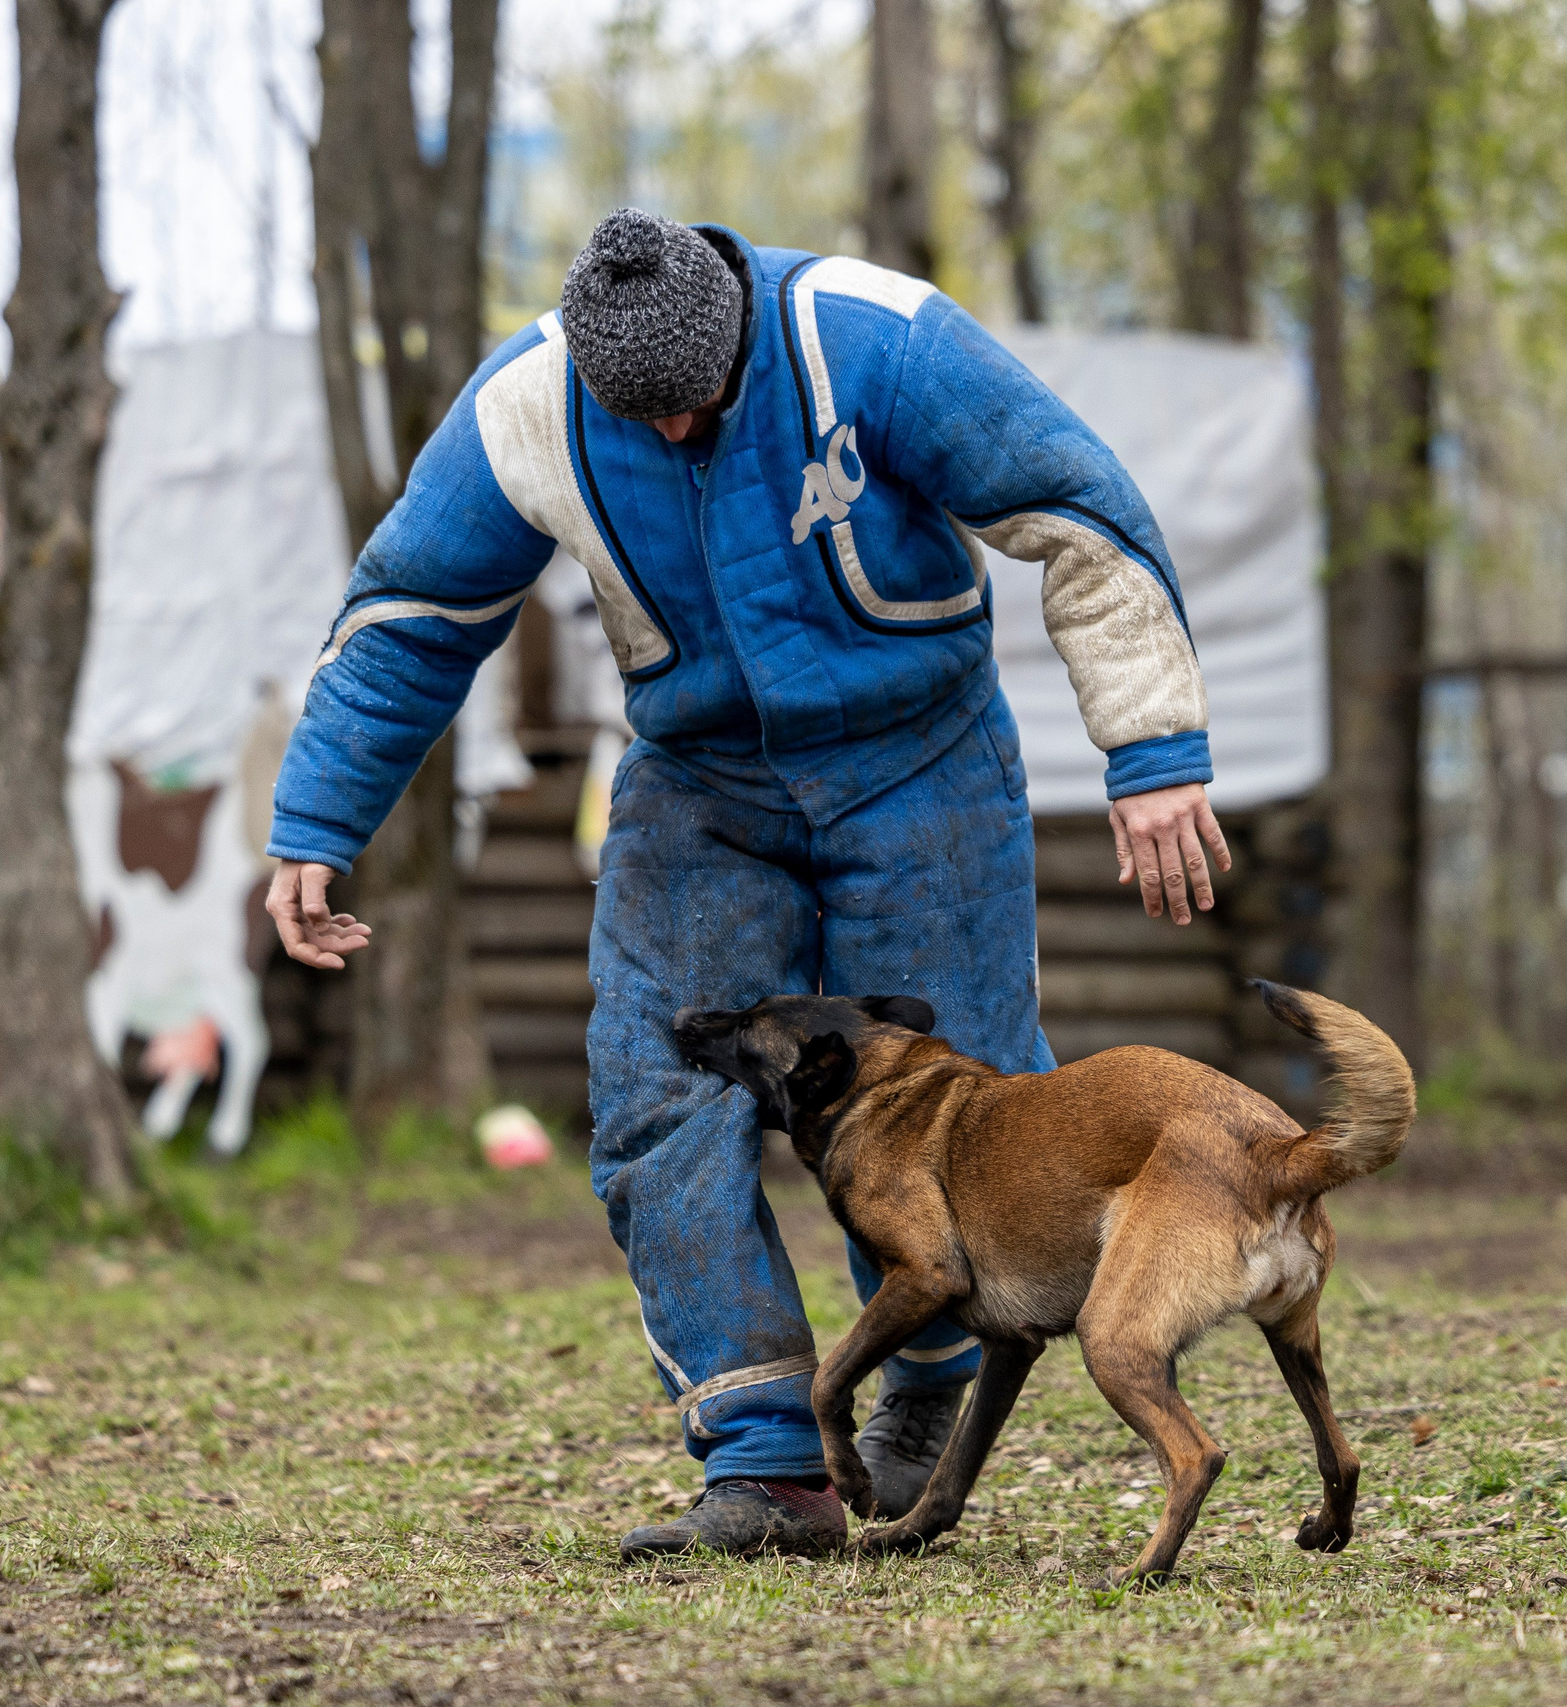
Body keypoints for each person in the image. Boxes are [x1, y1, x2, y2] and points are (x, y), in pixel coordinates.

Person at [264, 209, 1231, 1561]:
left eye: (693, 407)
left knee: (977, 1094)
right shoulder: (528, 406)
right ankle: (770, 1460)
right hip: (699, 781)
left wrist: (1155, 751)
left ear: (732, 333)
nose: (668, 436)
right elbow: (407, 619)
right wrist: (314, 821)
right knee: (655, 1089)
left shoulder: (873, 340)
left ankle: (928, 1387)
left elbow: (1078, 509)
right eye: (635, 416)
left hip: (923, 764)